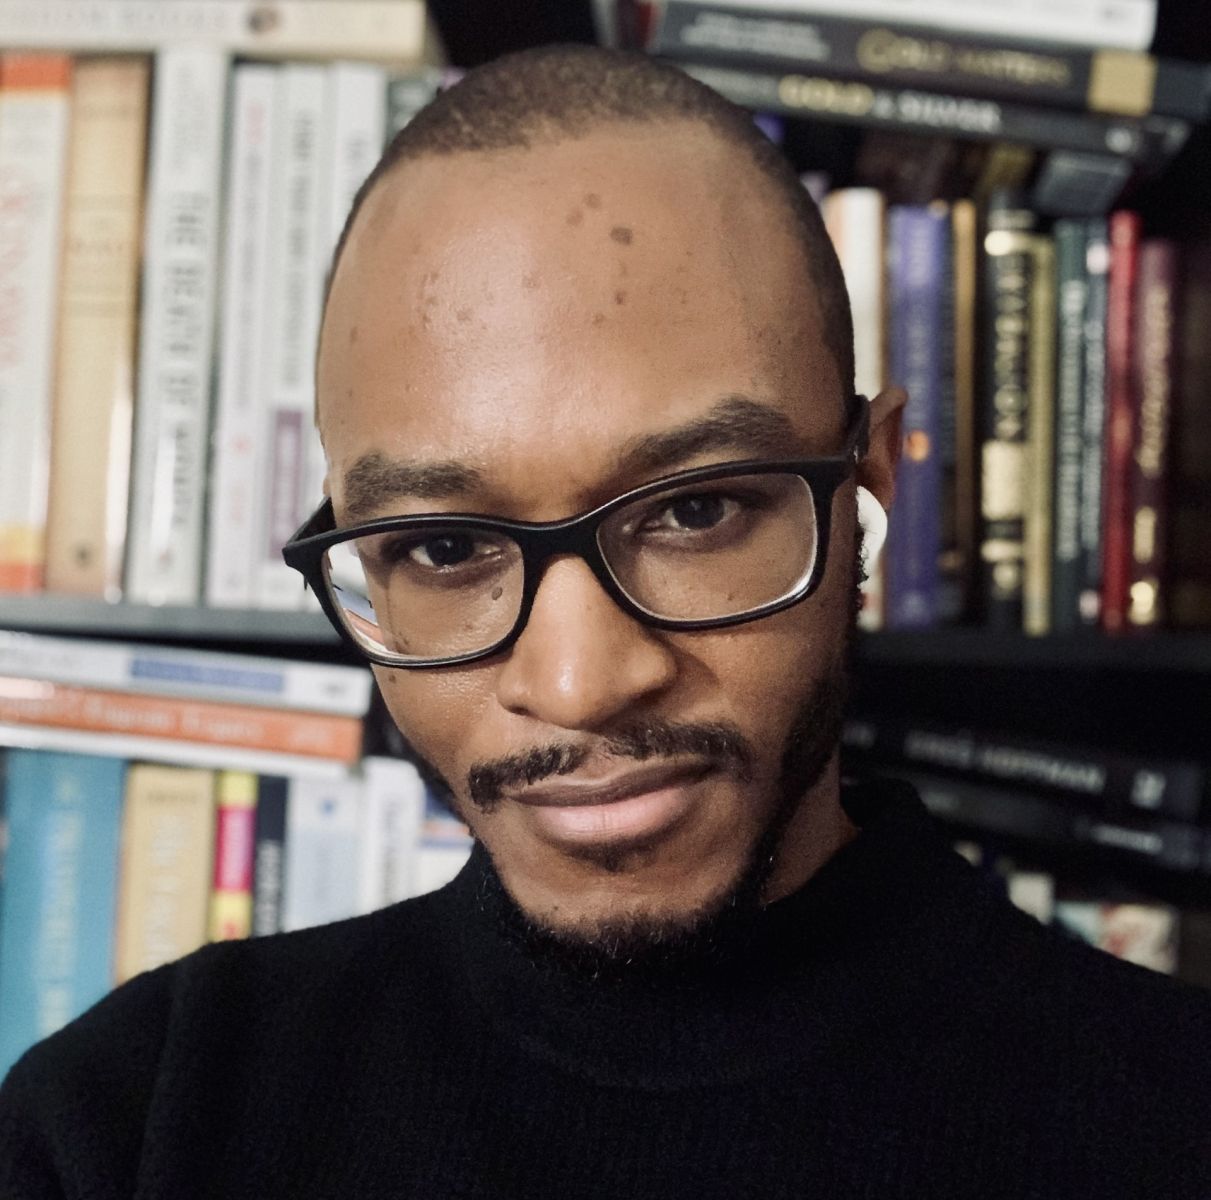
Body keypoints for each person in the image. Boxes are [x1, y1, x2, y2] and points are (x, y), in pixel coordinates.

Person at [2, 44, 1209, 1199]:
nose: (579, 684)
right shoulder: (126, 1123)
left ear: (866, 491)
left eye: (694, 510)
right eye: (442, 548)